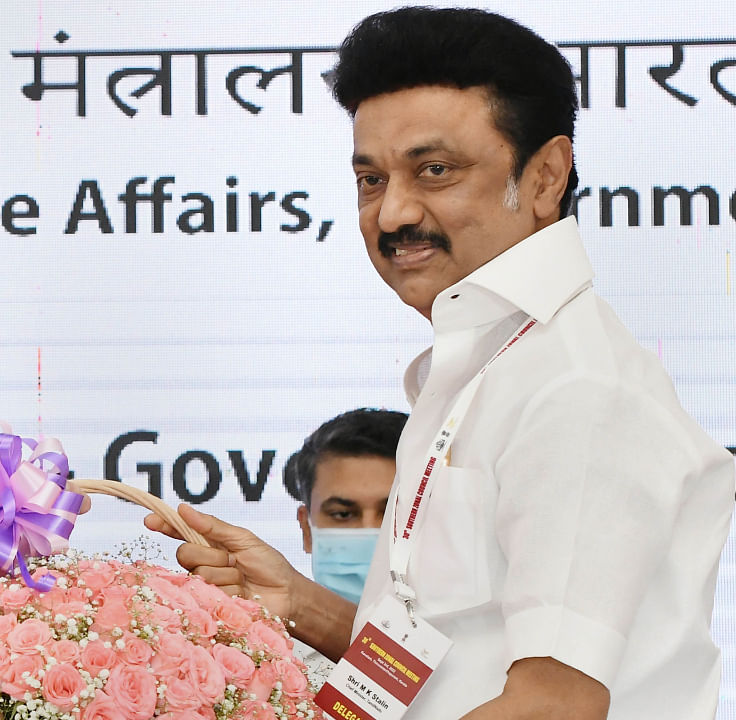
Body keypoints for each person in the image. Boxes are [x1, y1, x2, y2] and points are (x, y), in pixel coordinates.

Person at [148, 7, 734, 718]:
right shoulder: (479, 367)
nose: (392, 213)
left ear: (545, 177)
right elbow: (458, 652)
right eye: (370, 179)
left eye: (434, 171)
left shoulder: (576, 385)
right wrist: (300, 605)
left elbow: (553, 706)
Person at [292, 408, 406, 605]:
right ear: (307, 531)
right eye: (343, 514)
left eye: (393, 512)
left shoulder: (474, 631)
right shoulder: (256, 635)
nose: (370, 530)